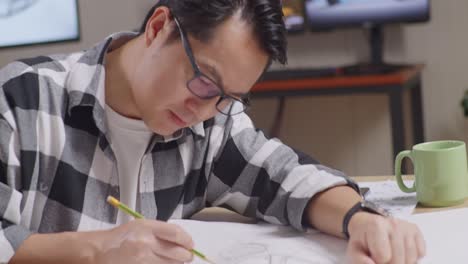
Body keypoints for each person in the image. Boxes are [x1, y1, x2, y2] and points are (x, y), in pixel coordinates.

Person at [0, 0, 425, 263]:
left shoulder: (210, 128)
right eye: (203, 82)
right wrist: (96, 251)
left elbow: (286, 176)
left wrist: (360, 219)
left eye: (228, 98)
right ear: (158, 27)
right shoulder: (24, 101)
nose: (204, 111)